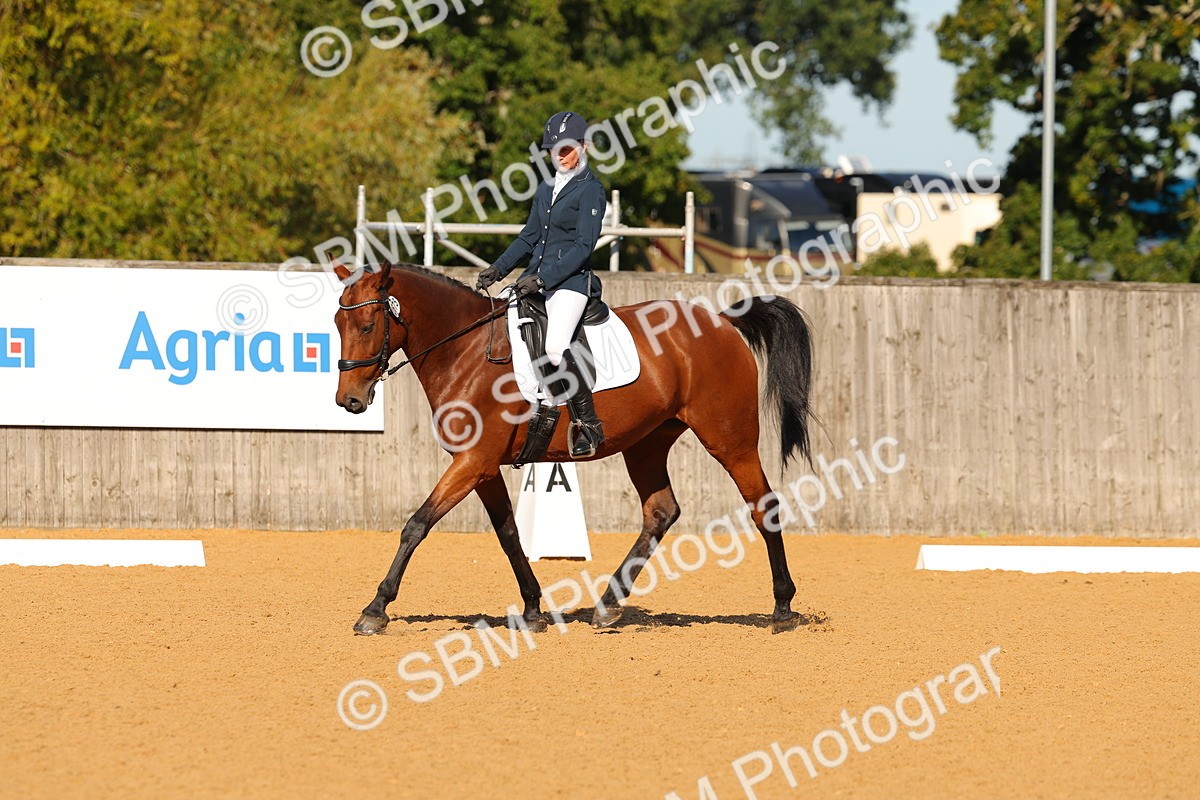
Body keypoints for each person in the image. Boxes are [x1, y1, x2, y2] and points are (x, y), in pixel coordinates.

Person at [476, 111, 608, 459]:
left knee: (555, 346)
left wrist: (544, 279)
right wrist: (497, 269)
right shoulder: (547, 188)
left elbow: (583, 247)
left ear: (583, 147)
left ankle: (588, 425)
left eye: (568, 149)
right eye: (555, 150)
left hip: (570, 283)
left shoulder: (592, 190)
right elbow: (529, 237)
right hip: (534, 279)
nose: (561, 156)